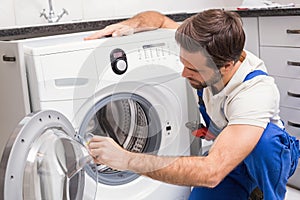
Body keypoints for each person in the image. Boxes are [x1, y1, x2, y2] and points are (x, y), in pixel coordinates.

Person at [86, 9, 300, 199]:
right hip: (230, 153)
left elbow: (211, 172)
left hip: (267, 160)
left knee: (265, 142)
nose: (183, 73)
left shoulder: (255, 92)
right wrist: (131, 25)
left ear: (225, 66)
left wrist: (127, 159)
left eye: (194, 69)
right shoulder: (202, 45)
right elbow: (158, 19)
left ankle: (265, 192)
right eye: (183, 63)